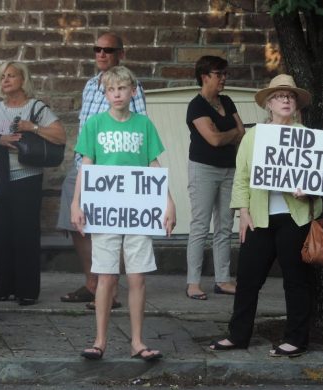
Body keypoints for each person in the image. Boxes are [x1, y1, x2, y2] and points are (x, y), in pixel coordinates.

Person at [209, 74, 321, 357]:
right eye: (279, 96)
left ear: (295, 105)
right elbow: (242, 177)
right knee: (248, 278)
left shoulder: (308, 137)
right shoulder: (254, 136)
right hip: (259, 217)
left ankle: (296, 339)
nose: (285, 99)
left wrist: (308, 191)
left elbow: (321, 179)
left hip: (294, 218)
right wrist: (242, 212)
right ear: (269, 104)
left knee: (296, 280)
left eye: (290, 96)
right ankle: (239, 335)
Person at [71, 66, 176, 360]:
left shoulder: (143, 125)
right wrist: (76, 202)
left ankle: (137, 342)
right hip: (104, 211)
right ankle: (100, 340)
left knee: (137, 277)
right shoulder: (94, 125)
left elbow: (153, 165)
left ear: (132, 91)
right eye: (111, 90)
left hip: (138, 210)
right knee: (105, 276)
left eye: (122, 89)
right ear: (105, 94)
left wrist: (168, 201)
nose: (116, 94)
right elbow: (86, 164)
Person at [58, 32, 146, 309]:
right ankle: (93, 282)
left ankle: (112, 290)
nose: (101, 54)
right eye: (97, 49)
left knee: (113, 226)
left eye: (108, 50)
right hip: (84, 165)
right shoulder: (89, 86)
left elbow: (139, 128)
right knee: (74, 222)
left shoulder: (132, 87)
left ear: (121, 53)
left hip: (115, 172)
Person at [0, 61, 65, 306]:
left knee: (26, 234)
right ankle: (5, 288)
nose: (5, 80)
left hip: (27, 177)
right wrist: (0, 139)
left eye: (11, 76)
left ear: (23, 79)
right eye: (2, 76)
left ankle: (27, 291)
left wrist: (33, 127)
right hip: (1, 178)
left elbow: (60, 135)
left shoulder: (36, 107)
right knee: (3, 232)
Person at [185, 55, 245, 300]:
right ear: (205, 76)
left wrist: (227, 133)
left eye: (225, 74)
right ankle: (193, 283)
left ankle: (223, 279)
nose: (223, 78)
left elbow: (241, 134)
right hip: (203, 169)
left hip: (230, 168)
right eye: (219, 74)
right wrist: (230, 133)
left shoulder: (227, 101)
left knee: (224, 226)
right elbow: (214, 139)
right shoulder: (196, 106)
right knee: (200, 225)